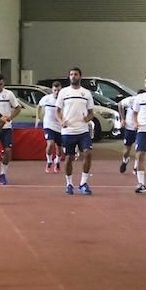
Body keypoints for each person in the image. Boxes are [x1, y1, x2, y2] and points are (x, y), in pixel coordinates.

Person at [56, 67, 95, 195]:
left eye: (76, 74)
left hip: (83, 130)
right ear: (69, 77)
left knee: (88, 153)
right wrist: (61, 121)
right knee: (69, 158)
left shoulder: (86, 93)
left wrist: (87, 119)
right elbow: (57, 111)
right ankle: (69, 183)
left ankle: (83, 183)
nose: (73, 76)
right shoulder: (63, 92)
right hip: (68, 131)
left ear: (80, 76)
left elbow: (91, 113)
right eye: (71, 74)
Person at [36, 81, 63, 173]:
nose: (57, 92)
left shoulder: (63, 101)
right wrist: (38, 118)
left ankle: (58, 162)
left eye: (58, 90)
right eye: (55, 90)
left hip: (60, 126)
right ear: (52, 90)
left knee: (59, 147)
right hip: (48, 125)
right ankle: (49, 161)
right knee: (50, 143)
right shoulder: (46, 99)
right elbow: (39, 106)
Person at [118, 89, 146, 175]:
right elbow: (120, 104)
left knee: (140, 150)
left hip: (141, 129)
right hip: (129, 127)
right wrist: (122, 119)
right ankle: (125, 160)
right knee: (127, 150)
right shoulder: (131, 100)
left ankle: (136, 167)